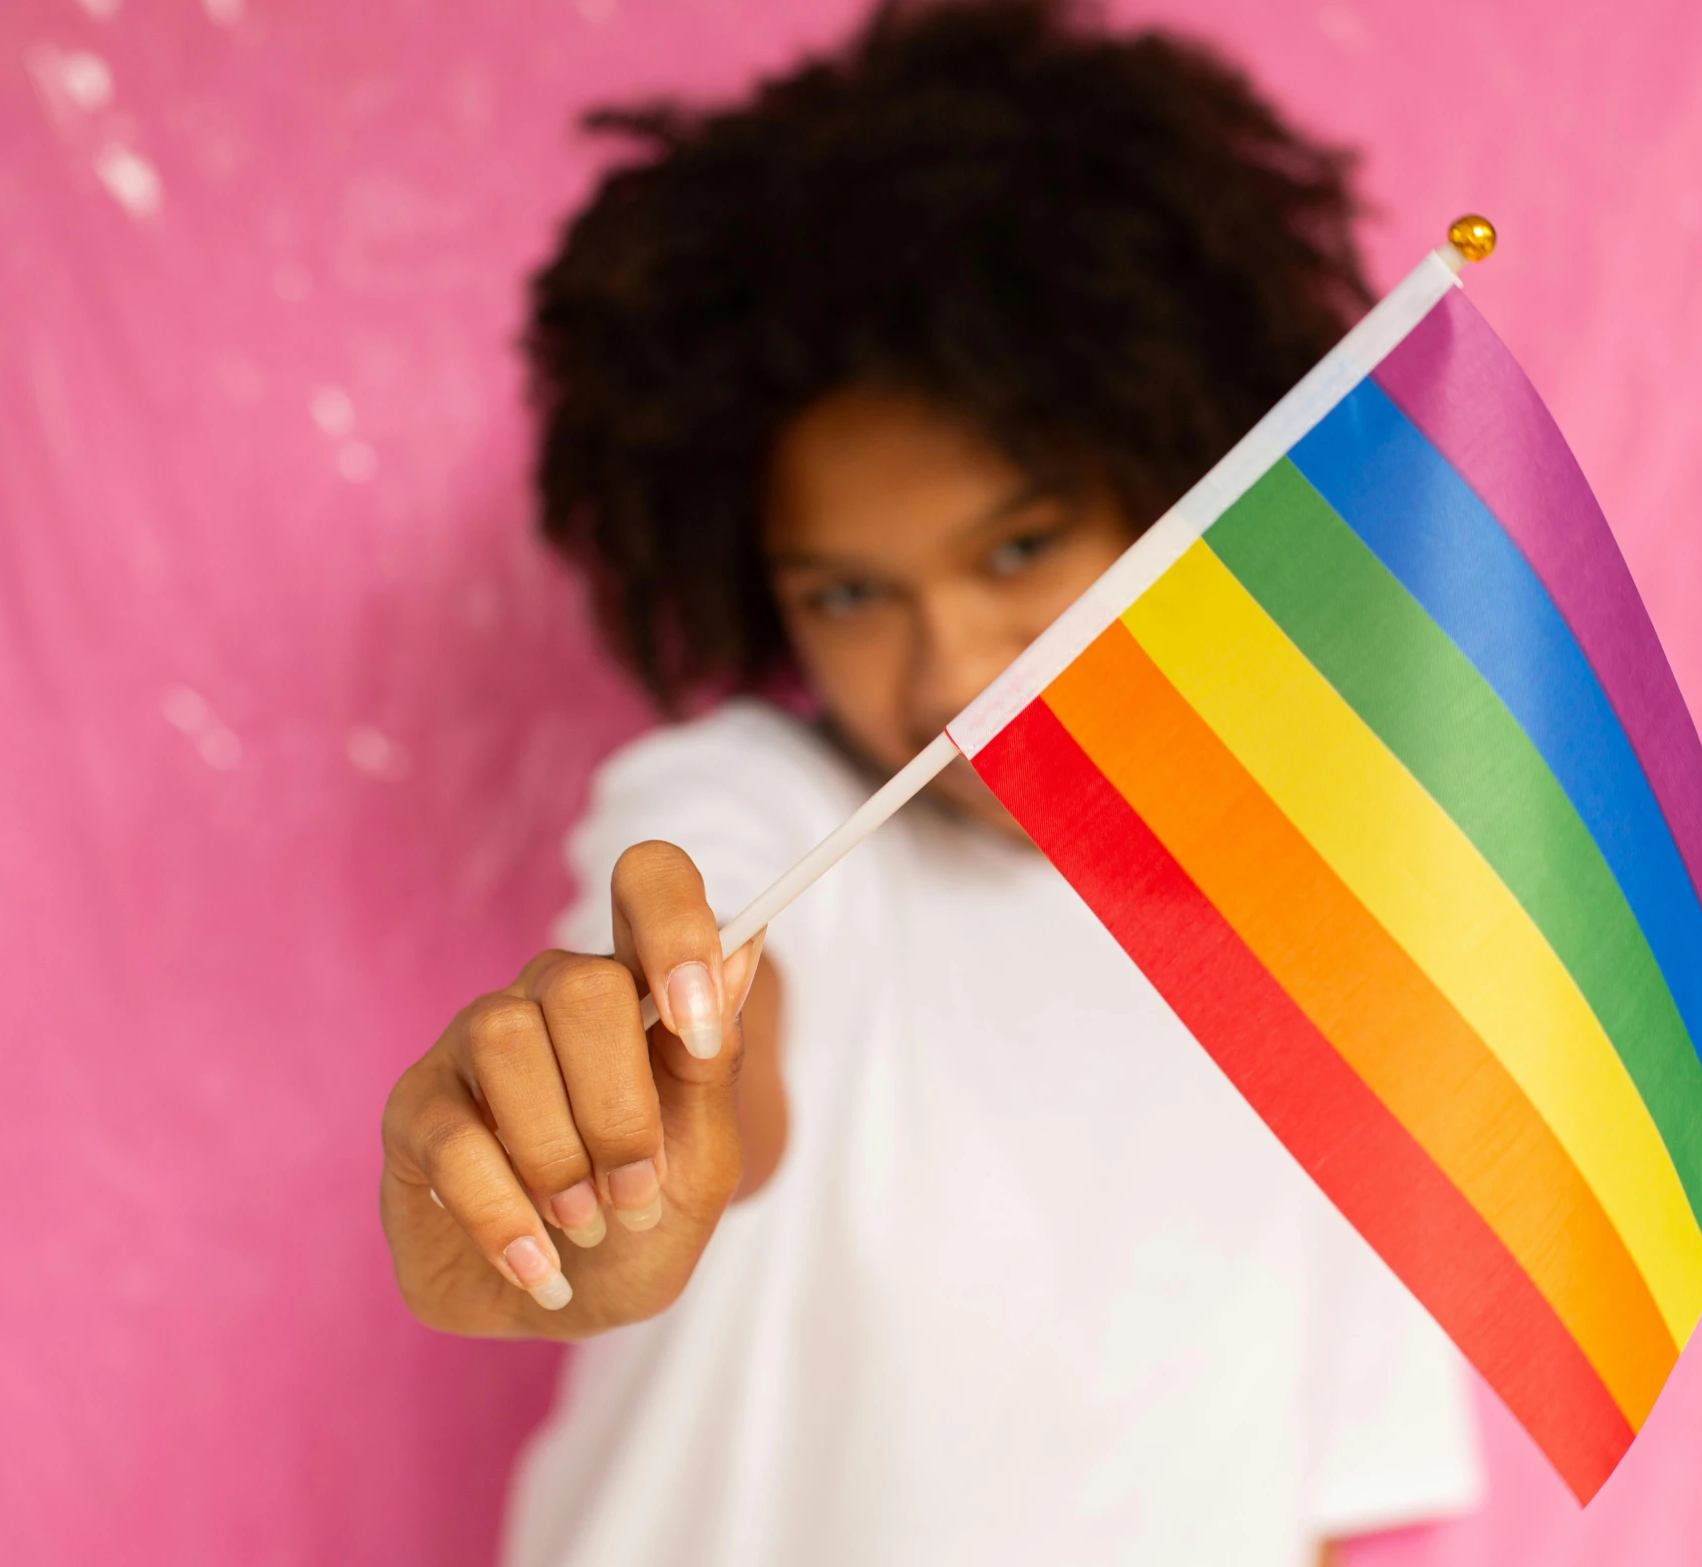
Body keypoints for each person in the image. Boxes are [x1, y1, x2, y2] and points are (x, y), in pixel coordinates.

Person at [378, 2, 1483, 1561]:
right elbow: (710, 1004)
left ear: (1181, 485)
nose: (945, 668)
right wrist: (623, 1152)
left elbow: (1321, 1497)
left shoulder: (1329, 926)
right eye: (844, 593)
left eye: (1016, 550)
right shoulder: (747, 808)